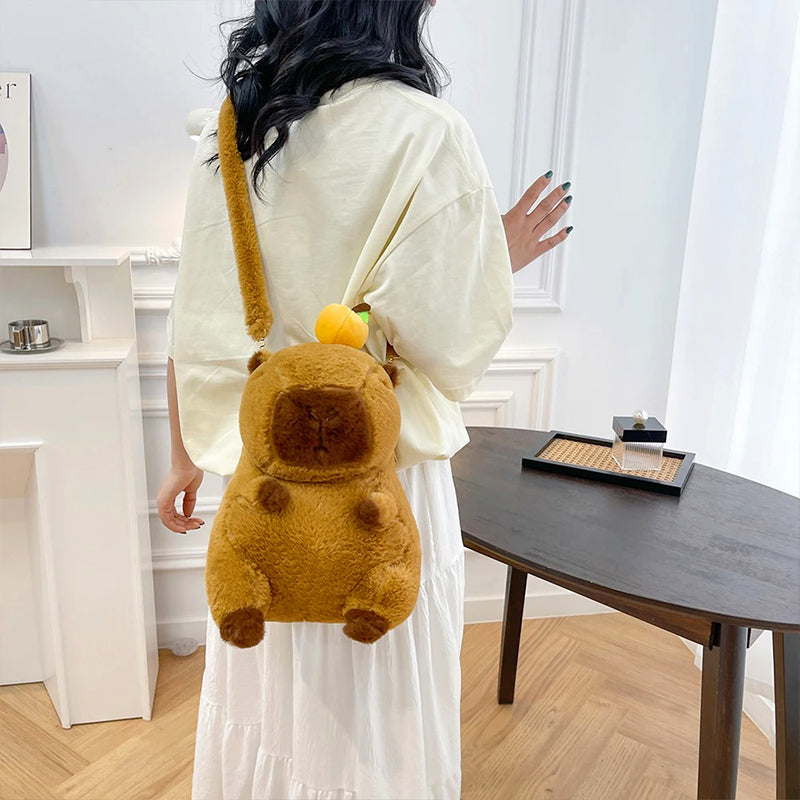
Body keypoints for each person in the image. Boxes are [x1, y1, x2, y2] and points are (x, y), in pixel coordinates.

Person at [157, 2, 573, 798]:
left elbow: (197, 318)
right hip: (384, 485)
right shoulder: (426, 131)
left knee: (270, 698)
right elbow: (438, 340)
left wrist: (180, 454)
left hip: (264, 478)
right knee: (383, 714)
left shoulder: (234, 130)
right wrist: (495, 257)